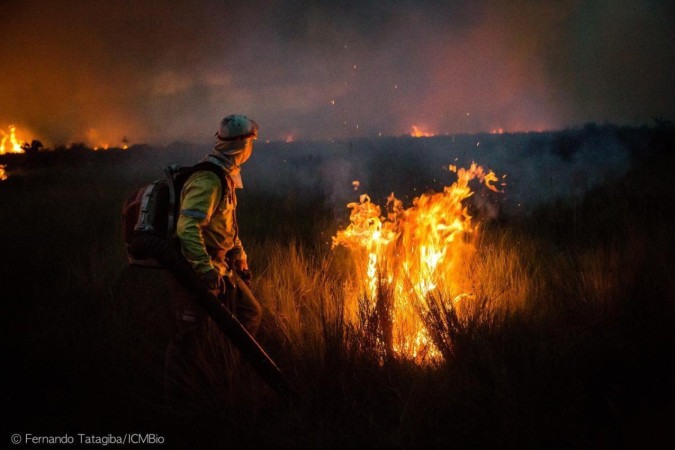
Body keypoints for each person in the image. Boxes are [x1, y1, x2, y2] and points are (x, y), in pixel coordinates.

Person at [164, 114, 263, 412]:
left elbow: (227, 225)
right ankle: (177, 404)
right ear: (240, 144)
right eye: (251, 142)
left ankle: (225, 374)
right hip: (195, 267)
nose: (252, 148)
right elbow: (187, 228)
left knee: (249, 311)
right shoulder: (208, 178)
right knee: (189, 336)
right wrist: (204, 270)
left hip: (220, 264)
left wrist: (239, 255)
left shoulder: (226, 174)